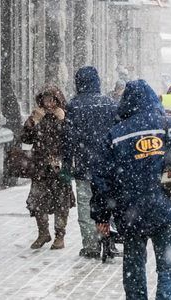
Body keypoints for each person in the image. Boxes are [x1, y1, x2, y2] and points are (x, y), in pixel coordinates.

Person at [90, 79, 171, 300]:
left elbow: (101, 178)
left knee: (134, 269)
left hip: (131, 213)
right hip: (170, 211)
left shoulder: (117, 135)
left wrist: (102, 215)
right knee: (168, 270)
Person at [63, 66, 118, 259]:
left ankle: (91, 245)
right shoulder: (110, 104)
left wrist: (67, 162)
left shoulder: (74, 106)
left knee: (86, 207)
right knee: (109, 203)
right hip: (107, 166)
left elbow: (68, 138)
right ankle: (109, 239)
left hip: (85, 166)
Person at [22, 85, 75, 250]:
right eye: (46, 99)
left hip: (59, 167)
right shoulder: (37, 115)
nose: (49, 103)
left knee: (61, 202)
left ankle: (60, 236)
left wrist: (64, 121)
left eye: (52, 99)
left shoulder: (65, 115)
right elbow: (25, 139)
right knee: (38, 201)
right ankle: (43, 233)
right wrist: (32, 122)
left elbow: (72, 139)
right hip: (40, 167)